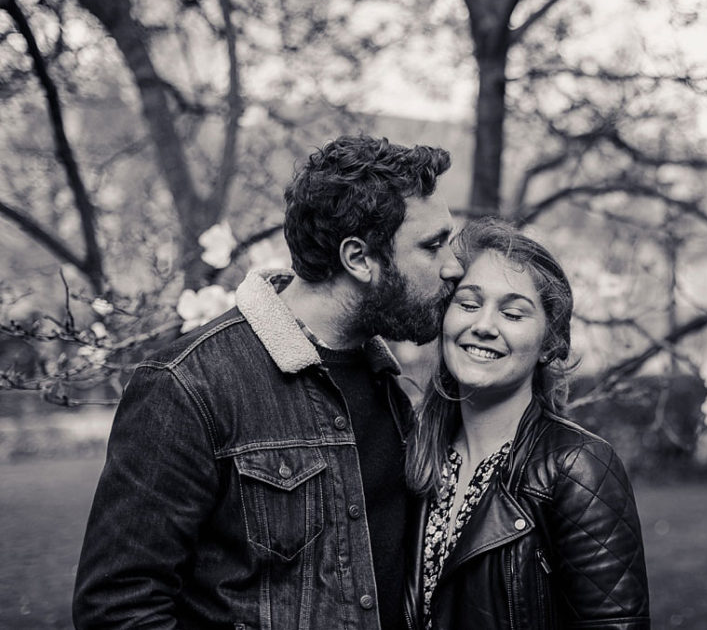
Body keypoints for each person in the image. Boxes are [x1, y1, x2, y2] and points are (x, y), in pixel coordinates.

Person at [73, 135, 463, 630]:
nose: (454, 266)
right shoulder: (188, 385)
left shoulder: (395, 389)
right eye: (432, 246)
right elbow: (118, 608)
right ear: (359, 258)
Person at [403, 218, 650, 630]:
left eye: (513, 313)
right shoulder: (415, 454)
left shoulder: (579, 468)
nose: (483, 325)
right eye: (467, 303)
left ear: (549, 344)